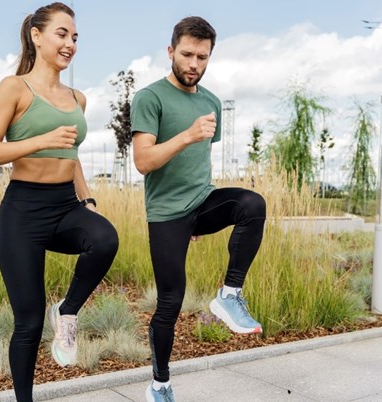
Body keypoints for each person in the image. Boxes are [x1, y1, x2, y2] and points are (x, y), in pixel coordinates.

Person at [0, 3, 118, 401]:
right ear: (36, 36)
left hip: (65, 205)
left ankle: (69, 310)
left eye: (75, 37)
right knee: (27, 322)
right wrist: (41, 140)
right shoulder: (13, 88)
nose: (70, 43)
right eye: (62, 33)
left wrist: (87, 199)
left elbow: (71, 156)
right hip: (22, 212)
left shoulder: (78, 98)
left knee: (105, 239)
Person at [131, 16, 267, 402]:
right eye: (187, 54)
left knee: (251, 204)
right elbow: (144, 161)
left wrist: (205, 213)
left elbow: (200, 161)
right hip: (167, 214)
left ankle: (229, 295)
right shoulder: (150, 97)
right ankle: (159, 385)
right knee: (170, 301)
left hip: (201, 202)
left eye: (202, 57)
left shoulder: (210, 102)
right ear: (171, 51)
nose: (194, 64)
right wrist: (187, 134)